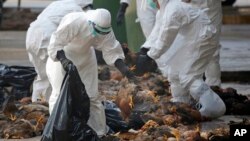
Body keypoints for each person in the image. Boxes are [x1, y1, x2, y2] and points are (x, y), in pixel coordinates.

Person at [46, 8, 135, 137]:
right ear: (91, 23)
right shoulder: (75, 21)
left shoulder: (105, 30)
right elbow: (56, 42)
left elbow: (111, 50)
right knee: (59, 95)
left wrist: (125, 70)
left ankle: (99, 133)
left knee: (92, 96)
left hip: (86, 59)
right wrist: (64, 60)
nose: (99, 35)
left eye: (103, 32)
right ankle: (59, 133)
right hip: (63, 57)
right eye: (98, 31)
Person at [136, 0, 226, 118]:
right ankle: (181, 104)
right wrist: (145, 49)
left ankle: (214, 107)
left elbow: (165, 38)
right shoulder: (163, 10)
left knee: (188, 75)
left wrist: (150, 55)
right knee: (174, 71)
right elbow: (157, 31)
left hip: (202, 37)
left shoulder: (173, 9)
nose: (153, 3)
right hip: (190, 37)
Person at [26, 0, 93, 102]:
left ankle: (37, 106)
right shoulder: (77, 11)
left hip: (31, 35)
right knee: (55, 77)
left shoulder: (60, 3)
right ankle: (52, 110)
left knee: (43, 76)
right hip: (46, 37)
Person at [191, 0, 222, 87]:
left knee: (210, 49)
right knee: (209, 48)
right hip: (195, 7)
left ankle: (212, 86)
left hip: (206, 7)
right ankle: (209, 86)